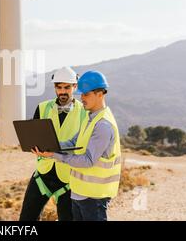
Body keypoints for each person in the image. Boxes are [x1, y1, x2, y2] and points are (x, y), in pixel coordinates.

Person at [32, 70, 121, 221]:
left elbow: (87, 161)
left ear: (100, 94)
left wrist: (54, 155)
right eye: (81, 94)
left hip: (94, 196)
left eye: (86, 94)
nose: (82, 98)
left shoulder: (103, 125)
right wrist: (49, 146)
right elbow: (73, 142)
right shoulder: (90, 117)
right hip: (79, 193)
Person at [19, 67, 86, 221]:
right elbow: (34, 137)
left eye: (67, 87)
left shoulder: (84, 112)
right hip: (43, 174)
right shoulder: (43, 108)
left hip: (68, 178)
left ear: (75, 87)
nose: (62, 91)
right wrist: (32, 146)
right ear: (55, 87)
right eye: (59, 87)